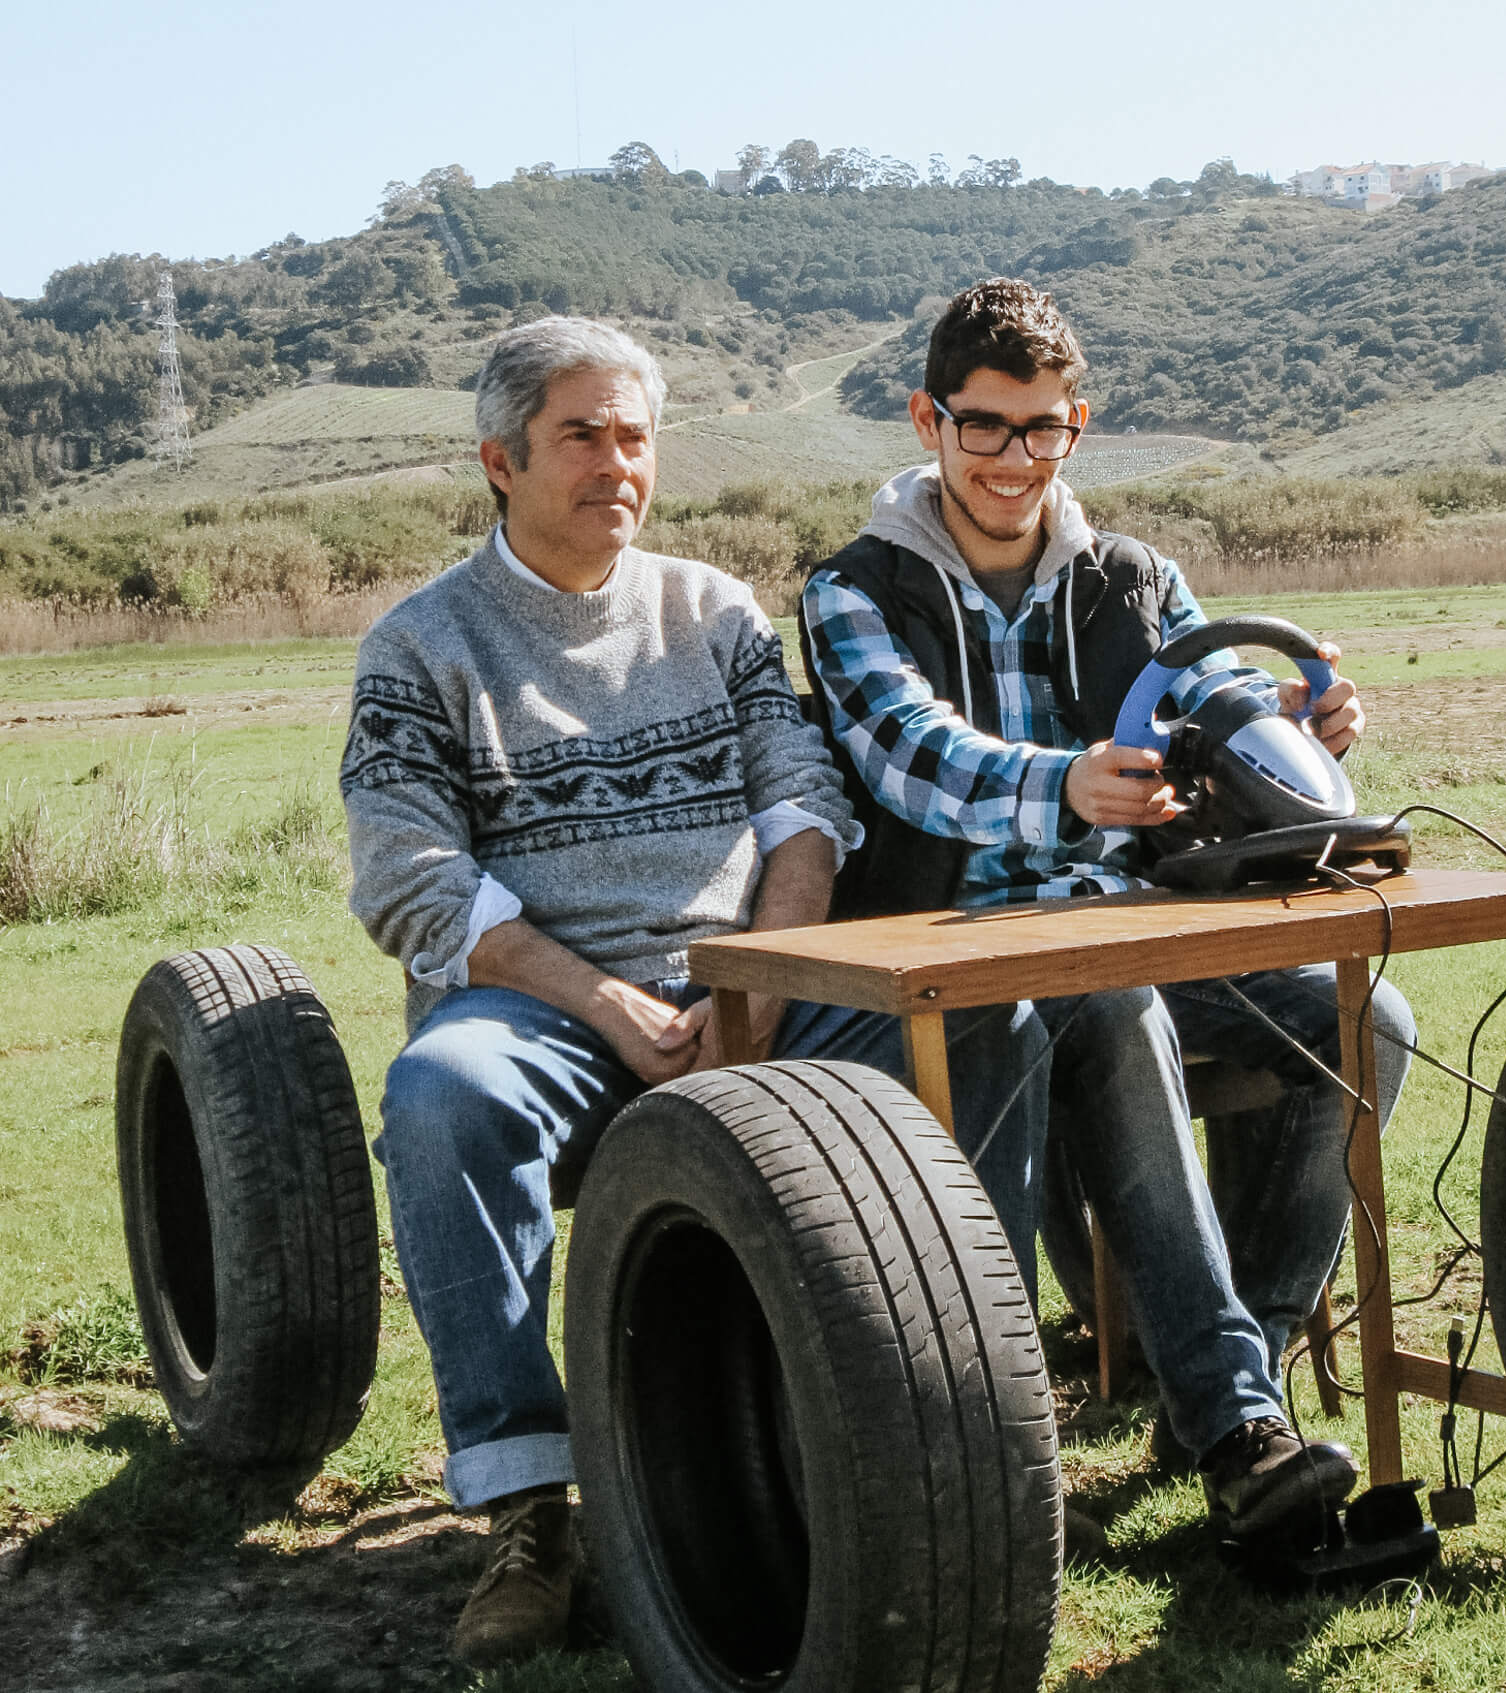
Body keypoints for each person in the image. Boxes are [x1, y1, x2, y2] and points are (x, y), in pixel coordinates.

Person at [338, 315, 1040, 1667]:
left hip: (742, 979)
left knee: (984, 1018)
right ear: (501, 457)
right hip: (545, 1006)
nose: (618, 462)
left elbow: (806, 806)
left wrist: (756, 990)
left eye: (636, 434)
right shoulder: (420, 647)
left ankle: (959, 1425)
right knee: (440, 1098)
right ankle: (530, 1504)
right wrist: (607, 1004)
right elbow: (413, 882)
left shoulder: (713, 610)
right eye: (581, 435)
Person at [800, 278, 1418, 1543]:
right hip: (943, 958)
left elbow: (1222, 707)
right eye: (985, 426)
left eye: (1044, 429)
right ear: (928, 419)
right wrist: (1066, 783)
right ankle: (1222, 1421)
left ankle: (1222, 1394)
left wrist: (1297, 732)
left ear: (1075, 424)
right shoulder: (852, 590)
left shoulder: (1139, 578)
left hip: (1126, 929)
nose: (1016, 461)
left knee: (1366, 1018)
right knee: (1101, 995)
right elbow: (911, 754)